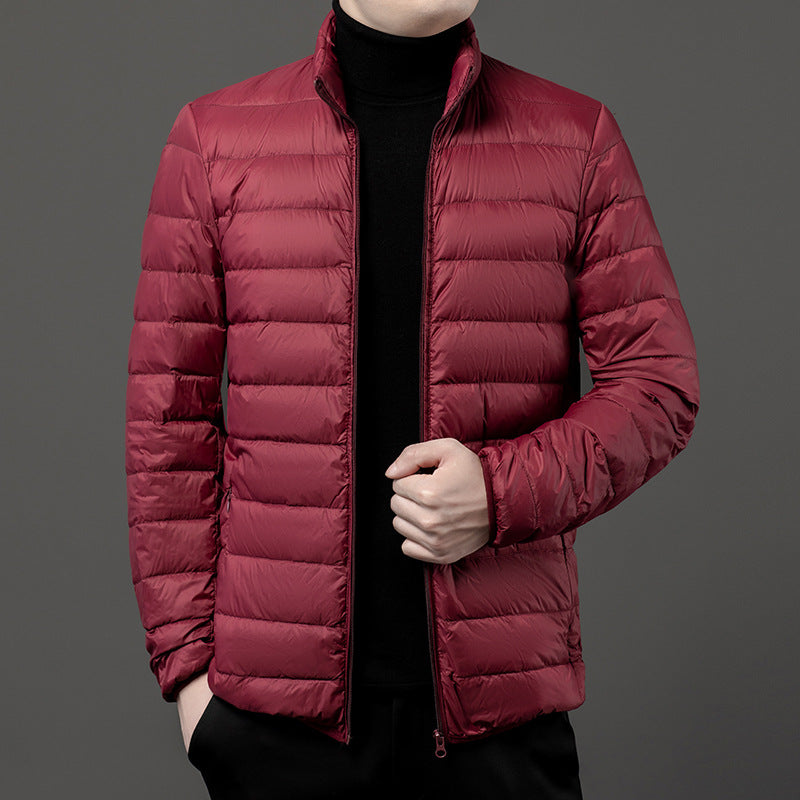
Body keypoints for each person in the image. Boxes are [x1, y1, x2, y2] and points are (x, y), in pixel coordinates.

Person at [125, 1, 700, 798]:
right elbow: (168, 424)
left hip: (498, 728)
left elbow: (658, 386)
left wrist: (498, 493)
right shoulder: (215, 139)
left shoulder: (576, 139)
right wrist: (191, 675)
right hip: (274, 734)